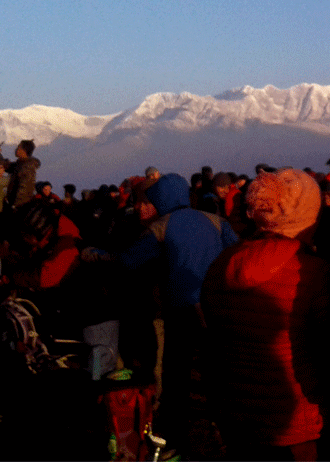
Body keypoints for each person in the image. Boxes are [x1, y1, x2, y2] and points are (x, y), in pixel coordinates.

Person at [201, 169, 330, 461]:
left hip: (236, 413)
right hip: (296, 420)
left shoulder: (222, 263)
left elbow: (213, 342)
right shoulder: (312, 273)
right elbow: (329, 349)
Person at [114, 172, 239, 450]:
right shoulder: (215, 221)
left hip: (179, 310)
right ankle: (226, 430)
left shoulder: (160, 226)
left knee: (177, 373)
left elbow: (128, 262)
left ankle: (175, 434)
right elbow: (238, 253)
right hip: (214, 308)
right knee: (216, 372)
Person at [0, 140, 40, 210]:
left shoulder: (26, 167)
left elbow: (24, 189)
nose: (16, 149)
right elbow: (7, 166)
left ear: (24, 151)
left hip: (20, 208)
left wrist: (15, 206)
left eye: (18, 147)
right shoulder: (20, 163)